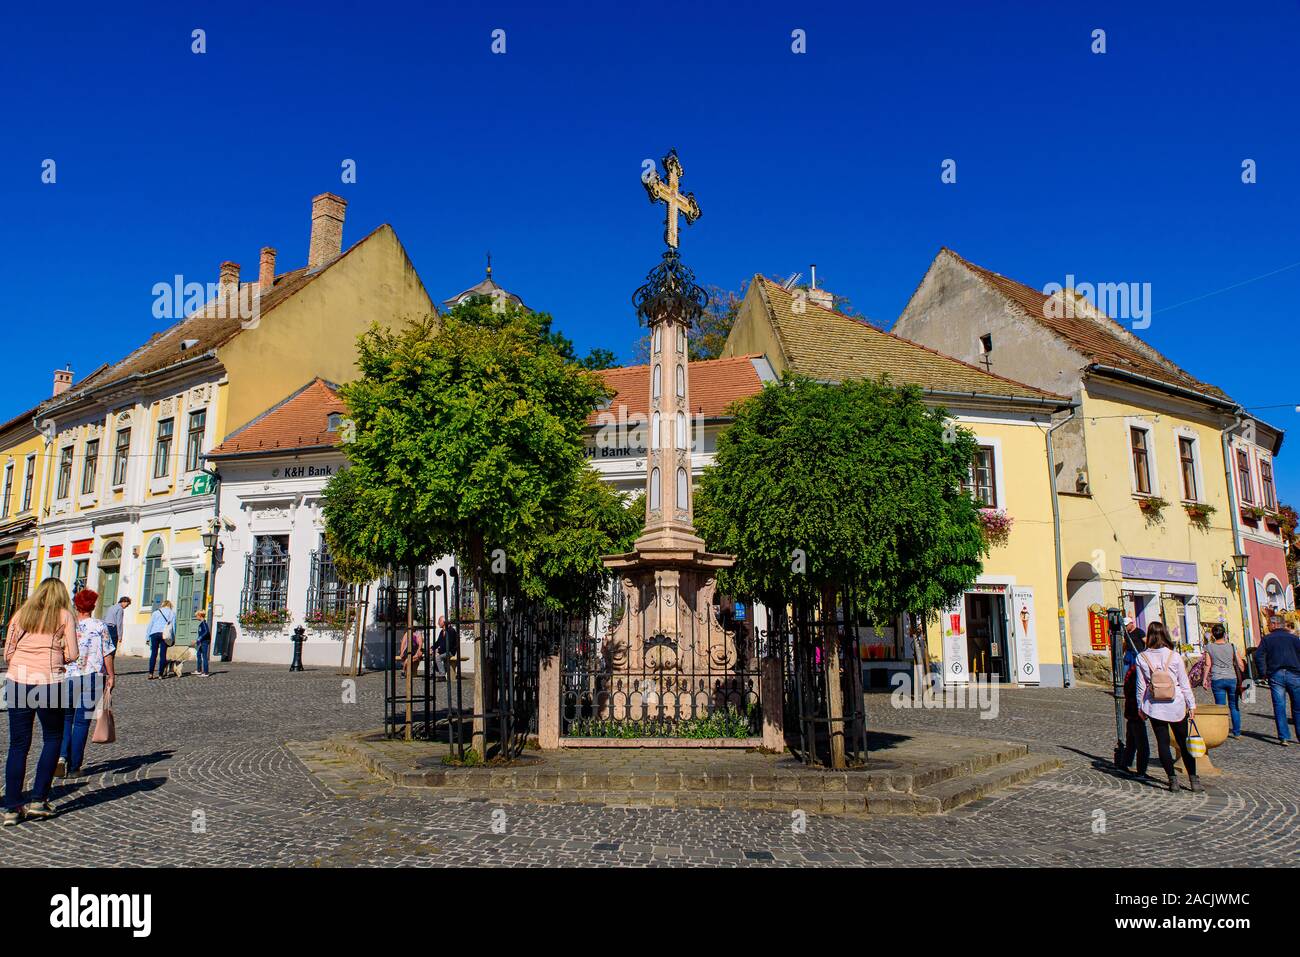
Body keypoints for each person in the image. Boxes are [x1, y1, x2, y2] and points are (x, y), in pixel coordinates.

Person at [2, 578, 77, 824]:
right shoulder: (64, 616)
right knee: (53, 737)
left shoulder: (22, 614)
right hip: (48, 680)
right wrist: (58, 657)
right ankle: (38, 800)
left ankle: (12, 807)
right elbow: (73, 653)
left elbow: (8, 651)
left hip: (19, 679)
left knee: (18, 744)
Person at [1136, 620, 1201, 793]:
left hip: (1155, 705)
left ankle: (1173, 781)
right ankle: (1194, 780)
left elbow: (1141, 686)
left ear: (1148, 636)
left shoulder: (1142, 657)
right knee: (1184, 743)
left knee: (1162, 743)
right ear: (1164, 633)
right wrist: (1191, 704)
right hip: (1176, 705)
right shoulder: (1174, 656)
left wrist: (1140, 707)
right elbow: (1184, 683)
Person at [56, 589, 114, 778]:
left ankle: (62, 758)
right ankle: (74, 768)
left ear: (76, 605)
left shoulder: (68, 625)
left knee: (65, 719)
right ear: (93, 606)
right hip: (93, 676)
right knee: (81, 722)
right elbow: (107, 653)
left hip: (68, 676)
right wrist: (111, 675)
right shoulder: (100, 626)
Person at [1255, 613, 1300, 746]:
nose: (1267, 626)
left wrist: (1263, 673)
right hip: (1295, 674)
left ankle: (1284, 737)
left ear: (1275, 624)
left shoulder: (1267, 639)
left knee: (1279, 706)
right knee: (1298, 707)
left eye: (1269, 624)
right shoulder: (1294, 638)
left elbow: (1259, 656)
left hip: (1276, 674)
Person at [1118, 622, 1149, 777]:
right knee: (1135, 736)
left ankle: (1130, 764)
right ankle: (1134, 766)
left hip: (1138, 707)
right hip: (1138, 707)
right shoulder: (1138, 665)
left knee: (1135, 735)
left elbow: (1135, 687)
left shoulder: (1140, 633)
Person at [1206, 623, 1246, 738]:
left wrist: (1204, 679)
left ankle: (1221, 732)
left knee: (1220, 707)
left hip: (1217, 679)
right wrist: (1242, 672)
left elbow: (1207, 664)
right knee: (1234, 706)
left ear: (1213, 635)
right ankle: (1237, 732)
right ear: (1224, 634)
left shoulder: (1209, 647)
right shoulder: (1232, 646)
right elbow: (1240, 664)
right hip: (1232, 678)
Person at [147, 600, 175, 680]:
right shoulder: (172, 613)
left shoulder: (156, 613)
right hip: (165, 634)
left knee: (153, 654)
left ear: (162, 605)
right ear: (170, 605)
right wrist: (173, 638)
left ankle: (150, 673)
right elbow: (173, 627)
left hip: (154, 633)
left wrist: (147, 637)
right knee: (163, 654)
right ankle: (160, 674)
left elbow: (150, 625)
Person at [193, 609, 211, 677]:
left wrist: (199, 639)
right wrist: (198, 641)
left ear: (200, 616)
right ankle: (199, 670)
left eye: (196, 616)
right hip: (201, 642)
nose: (196, 617)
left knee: (204, 656)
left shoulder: (203, 623)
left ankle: (206, 672)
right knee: (198, 654)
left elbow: (206, 632)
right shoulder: (201, 623)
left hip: (205, 642)